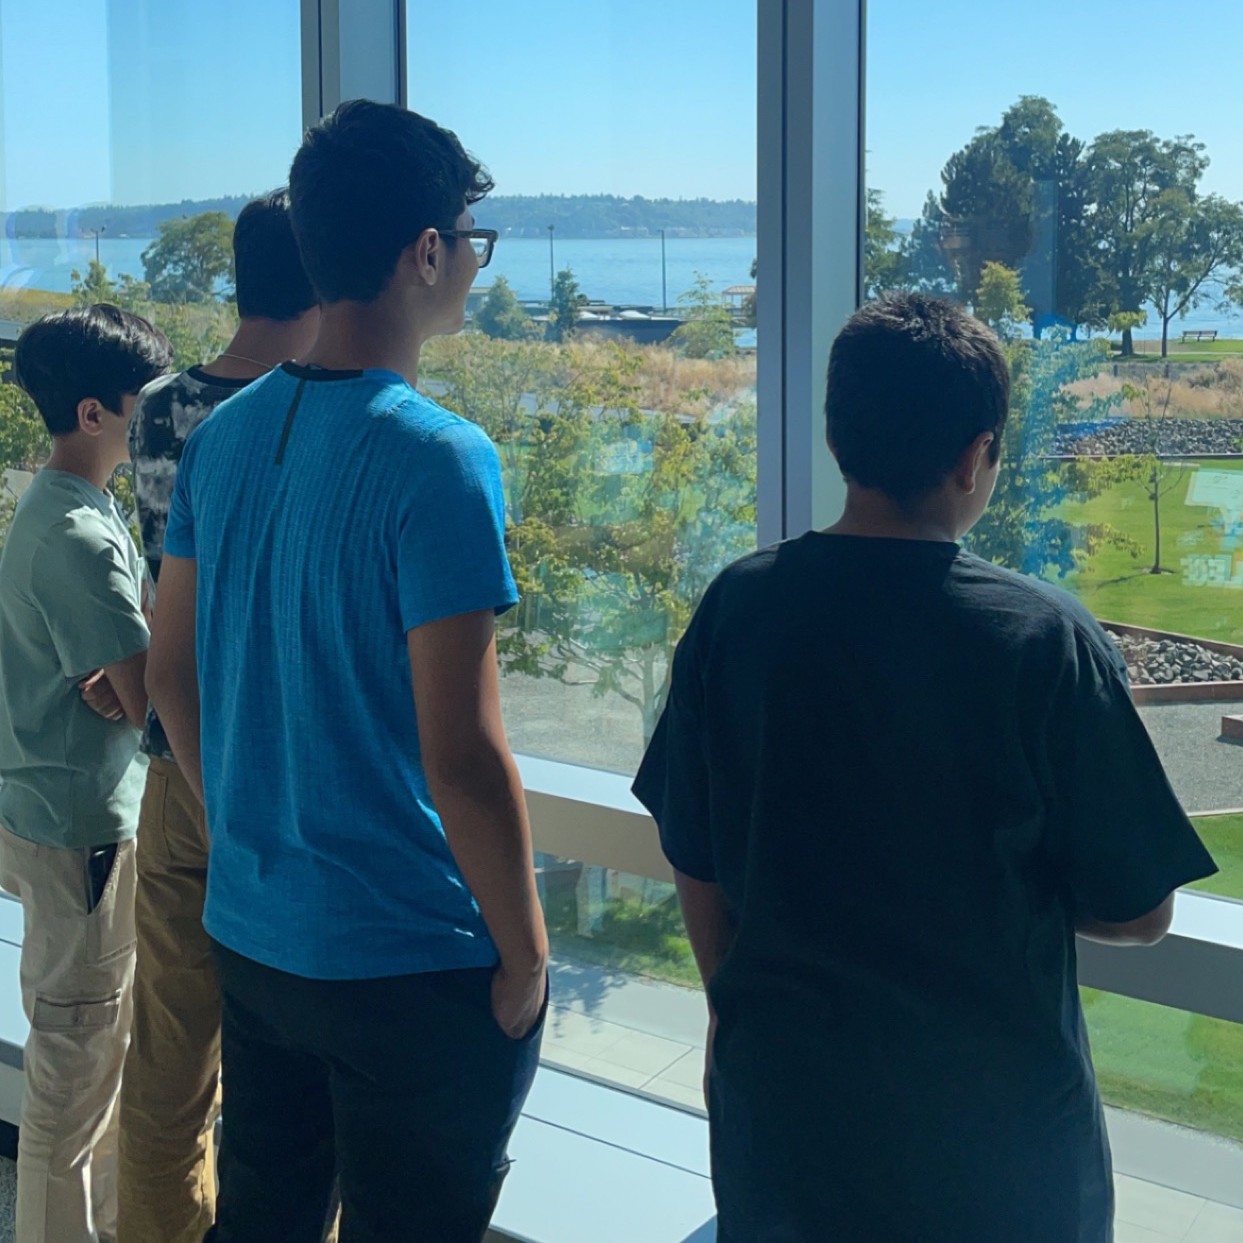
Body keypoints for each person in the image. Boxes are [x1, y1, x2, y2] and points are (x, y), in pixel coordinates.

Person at [633, 293, 1218, 1243]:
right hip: (998, 1149)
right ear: (973, 456)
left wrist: (729, 1007)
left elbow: (692, 846)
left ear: (834, 437)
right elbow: (1140, 909)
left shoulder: (738, 609)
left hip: (788, 1127)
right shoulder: (1041, 640)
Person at [146, 100, 546, 1243]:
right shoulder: (442, 459)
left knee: (262, 1219)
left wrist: (237, 820)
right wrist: (523, 954)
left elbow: (171, 670)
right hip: (410, 962)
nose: (471, 260)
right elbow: (462, 759)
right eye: (471, 236)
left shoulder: (222, 440)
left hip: (260, 932)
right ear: (426, 251)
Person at [117, 190, 320, 1243]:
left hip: (176, 760)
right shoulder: (316, 417)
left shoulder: (157, 408)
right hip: (287, 777)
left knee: (168, 1053)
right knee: (295, 1058)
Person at [0, 304, 172, 1243]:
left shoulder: (63, 502)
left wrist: (122, 680)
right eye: (144, 398)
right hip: (83, 835)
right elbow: (147, 697)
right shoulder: (77, 533)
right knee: (71, 1081)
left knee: (91, 1064)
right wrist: (131, 682)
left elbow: (122, 681)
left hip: (55, 812)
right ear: (97, 412)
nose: (158, 411)